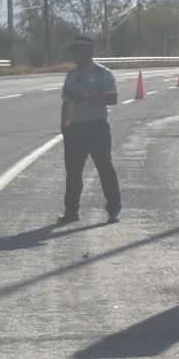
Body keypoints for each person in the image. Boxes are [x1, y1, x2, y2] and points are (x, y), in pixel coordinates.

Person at [58, 35, 122, 223]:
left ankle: (113, 208)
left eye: (79, 51)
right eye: (74, 51)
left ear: (89, 52)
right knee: (73, 172)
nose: (75, 55)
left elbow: (113, 99)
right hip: (75, 128)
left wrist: (86, 98)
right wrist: (64, 126)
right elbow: (66, 101)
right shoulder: (71, 75)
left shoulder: (103, 73)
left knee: (105, 168)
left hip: (97, 127)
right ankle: (71, 212)